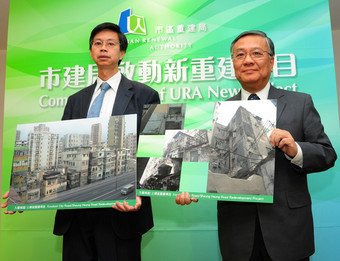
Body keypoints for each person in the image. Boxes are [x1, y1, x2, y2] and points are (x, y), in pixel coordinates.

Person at [2, 22, 160, 261]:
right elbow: (59, 153)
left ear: (122, 53)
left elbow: (153, 149)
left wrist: (137, 191)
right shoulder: (75, 100)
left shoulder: (146, 94)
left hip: (122, 211)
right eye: (98, 43)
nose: (103, 48)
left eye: (110, 44)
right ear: (90, 52)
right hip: (76, 212)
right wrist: (25, 193)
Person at [176, 30, 337, 261]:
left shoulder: (299, 103)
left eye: (256, 53)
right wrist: (190, 186)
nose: (248, 60)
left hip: (288, 230)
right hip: (237, 232)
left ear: (271, 62)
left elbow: (327, 154)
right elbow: (214, 163)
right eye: (239, 55)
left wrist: (296, 150)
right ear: (233, 64)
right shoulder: (221, 111)